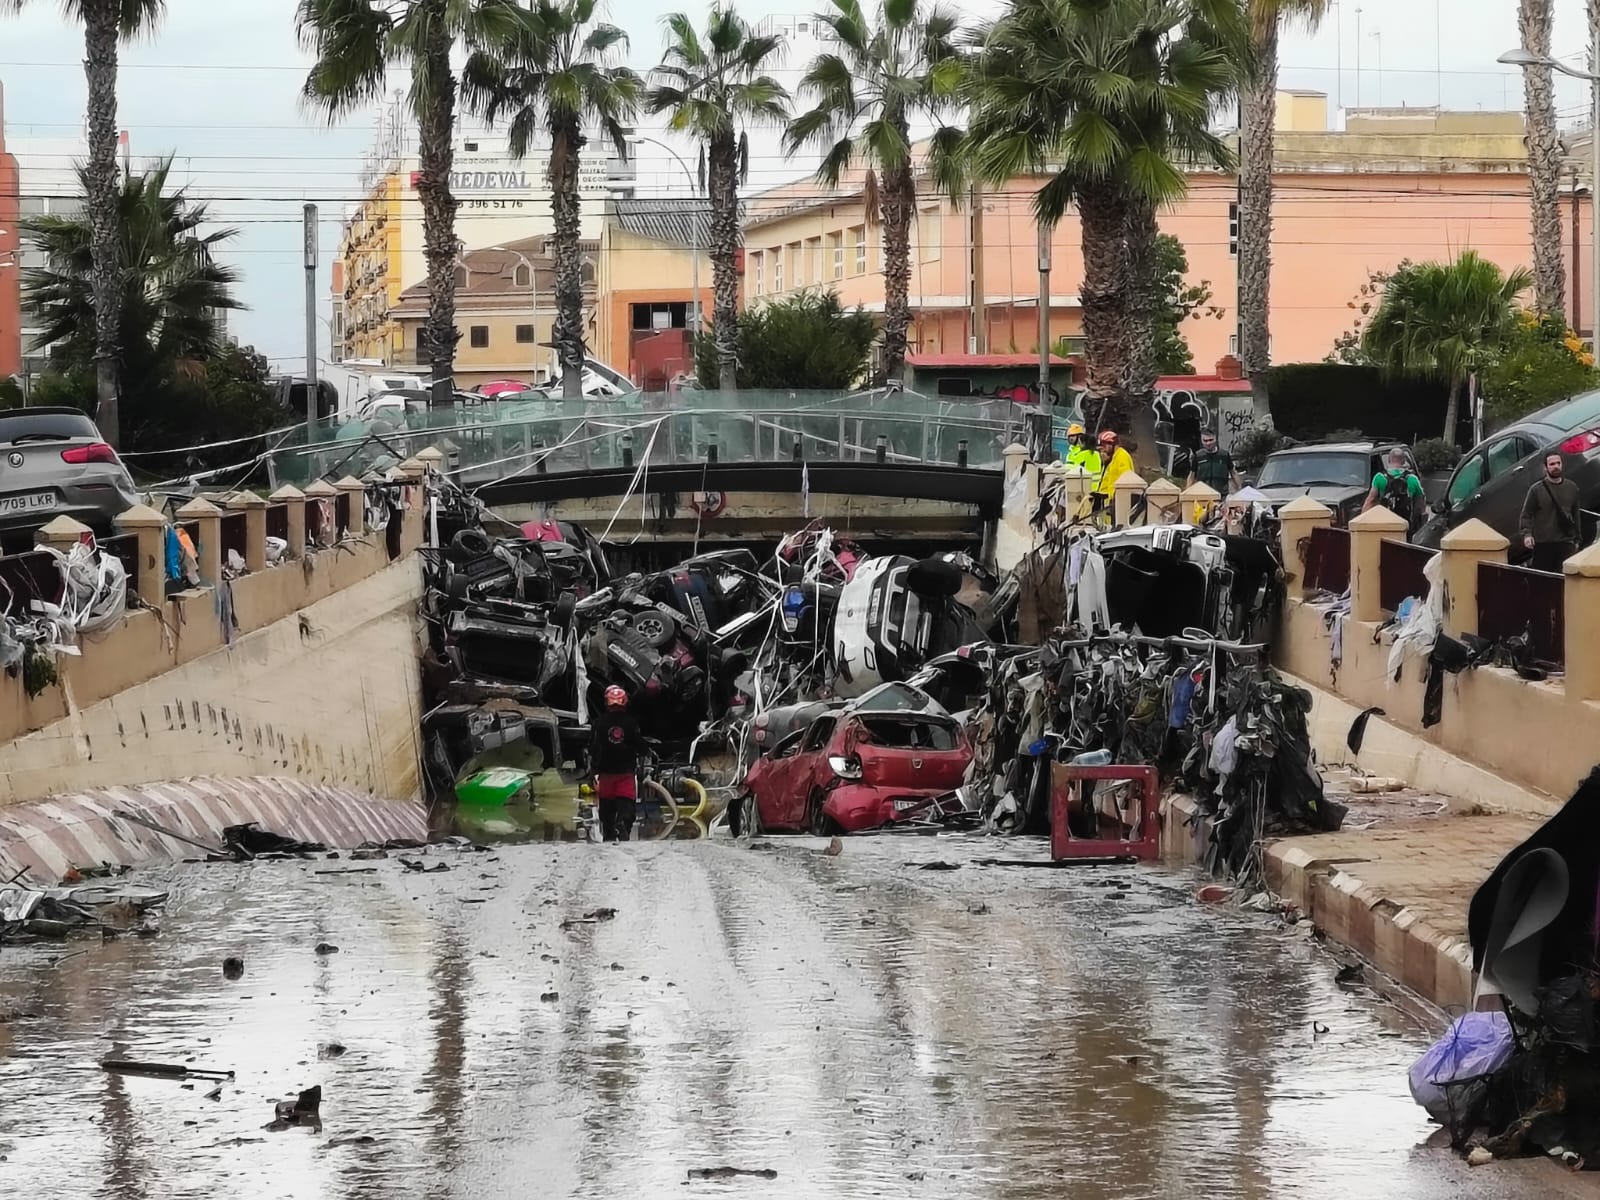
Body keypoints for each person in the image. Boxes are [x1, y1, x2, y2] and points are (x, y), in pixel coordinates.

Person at [591, 685, 644, 842]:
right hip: (625, 773)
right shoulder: (631, 723)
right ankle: (622, 824)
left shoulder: (598, 723)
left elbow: (593, 748)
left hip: (605, 774)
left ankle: (609, 833)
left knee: (607, 809)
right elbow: (639, 746)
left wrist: (592, 769)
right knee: (627, 804)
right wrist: (643, 762)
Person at [1520, 452, 1582, 572]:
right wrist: (1527, 534)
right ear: (1545, 468)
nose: (1555, 466)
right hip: (1543, 544)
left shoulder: (1572, 487)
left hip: (1566, 543)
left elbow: (1576, 515)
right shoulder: (1536, 490)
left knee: (1564, 580)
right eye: (1552, 464)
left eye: (1558, 463)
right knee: (1543, 582)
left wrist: (1577, 539)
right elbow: (1526, 514)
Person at [1362, 447, 1427, 535]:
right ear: (1404, 461)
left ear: (1389, 460)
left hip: (1385, 524)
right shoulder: (1412, 479)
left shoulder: (1380, 477)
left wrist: (1362, 519)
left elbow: (1371, 500)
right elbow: (1421, 502)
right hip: (1405, 525)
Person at [1186, 429, 1241, 495]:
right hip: (1203, 494)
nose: (1208, 443)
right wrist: (1187, 493)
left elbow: (1233, 473)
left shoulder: (1224, 455)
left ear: (1215, 439)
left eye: (1211, 440)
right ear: (1201, 440)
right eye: (1205, 441)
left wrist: (1240, 489)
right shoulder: (1198, 456)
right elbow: (1192, 475)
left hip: (1221, 495)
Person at [1093, 430, 1134, 506]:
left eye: (1104, 446)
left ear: (1112, 444)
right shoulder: (1114, 458)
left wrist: (1114, 499)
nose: (1103, 450)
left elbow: (1125, 482)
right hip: (1109, 502)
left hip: (1117, 502)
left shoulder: (1122, 457)